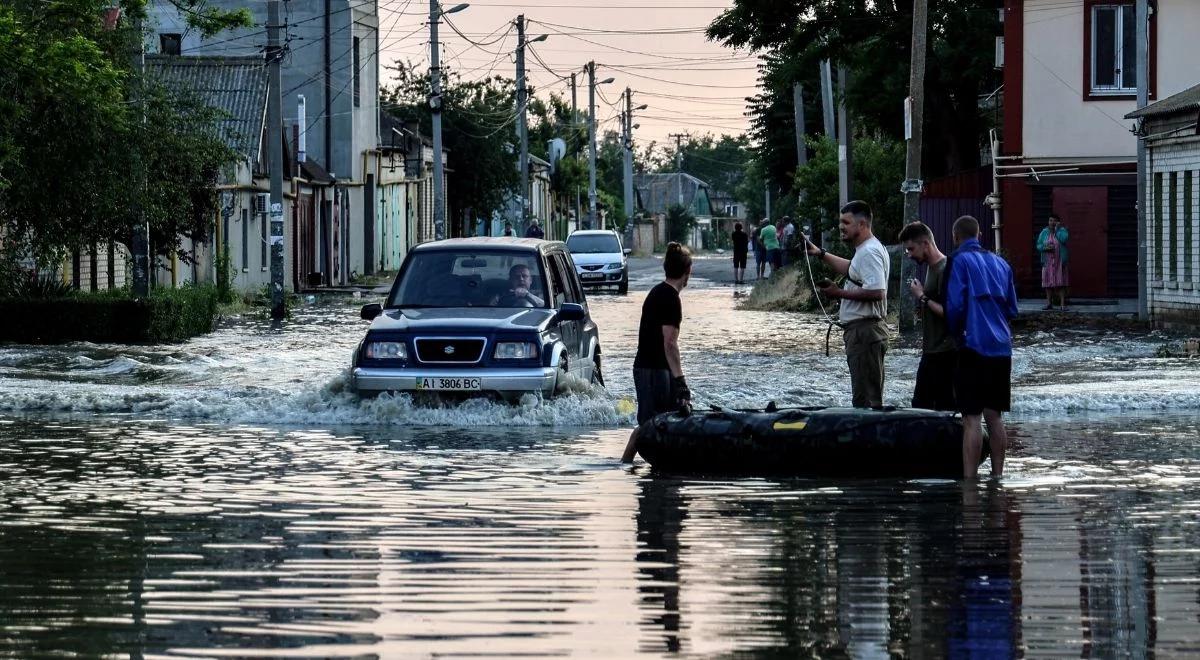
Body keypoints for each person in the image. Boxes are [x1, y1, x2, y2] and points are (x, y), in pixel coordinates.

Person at [944, 215, 1018, 479]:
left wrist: (956, 335)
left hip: (972, 345)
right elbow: (1012, 309)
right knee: (994, 416)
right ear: (980, 235)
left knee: (972, 418)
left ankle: (970, 481)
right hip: (1001, 347)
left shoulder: (958, 261)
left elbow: (955, 307)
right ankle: (998, 476)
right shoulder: (1002, 264)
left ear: (955, 237)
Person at [805, 200, 891, 408]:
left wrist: (838, 292)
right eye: (840, 222)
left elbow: (877, 292)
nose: (841, 227)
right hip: (863, 332)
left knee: (866, 400)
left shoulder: (869, 251)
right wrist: (820, 254)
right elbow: (852, 269)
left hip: (865, 332)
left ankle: (868, 440)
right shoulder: (865, 250)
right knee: (864, 397)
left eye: (846, 222)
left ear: (862, 225)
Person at [621, 242, 693, 463]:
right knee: (650, 425)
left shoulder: (658, 292)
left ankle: (661, 469)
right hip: (652, 369)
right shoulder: (671, 298)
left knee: (665, 420)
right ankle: (624, 464)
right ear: (687, 272)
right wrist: (681, 381)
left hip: (652, 367)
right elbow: (670, 343)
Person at [899, 221, 957, 411]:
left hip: (946, 353)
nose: (909, 254)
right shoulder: (931, 268)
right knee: (920, 405)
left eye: (911, 249)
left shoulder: (945, 268)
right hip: (931, 351)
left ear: (925, 244)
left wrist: (921, 296)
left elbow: (950, 313)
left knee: (944, 407)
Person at [1036, 213, 1069, 311]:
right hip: (1047, 262)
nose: (1052, 222)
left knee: (1061, 283)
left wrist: (1057, 230)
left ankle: (1062, 305)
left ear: (1058, 222)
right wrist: (1044, 247)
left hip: (1060, 262)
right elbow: (1038, 245)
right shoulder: (1044, 232)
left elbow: (1064, 240)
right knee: (1047, 283)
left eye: (1054, 220)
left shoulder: (1062, 231)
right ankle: (1049, 304)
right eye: (1050, 220)